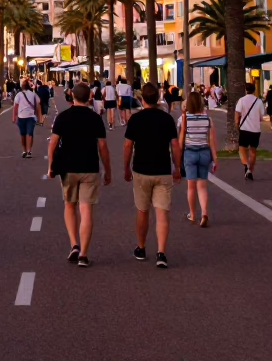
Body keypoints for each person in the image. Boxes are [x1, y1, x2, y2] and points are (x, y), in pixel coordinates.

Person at [46, 81, 110, 268]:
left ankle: (74, 243)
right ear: (89, 96)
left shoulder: (63, 117)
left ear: (72, 97)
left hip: (68, 167)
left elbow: (52, 143)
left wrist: (50, 166)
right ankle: (83, 254)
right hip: (90, 167)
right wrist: (108, 170)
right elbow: (103, 147)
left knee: (69, 205)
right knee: (86, 210)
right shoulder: (95, 118)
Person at [123, 83, 180, 268]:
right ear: (158, 98)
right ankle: (161, 253)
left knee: (142, 210)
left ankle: (141, 247)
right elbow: (175, 145)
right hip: (162, 170)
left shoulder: (135, 119)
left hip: (141, 170)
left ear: (142, 99)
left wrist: (125, 167)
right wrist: (177, 167)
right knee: (162, 212)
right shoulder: (167, 119)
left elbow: (127, 145)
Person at [178, 89, 217, 227]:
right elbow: (211, 140)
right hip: (204, 153)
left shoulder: (185, 118)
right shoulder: (207, 119)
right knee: (202, 186)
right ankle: (204, 213)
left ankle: (192, 214)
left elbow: (181, 137)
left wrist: (177, 156)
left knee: (191, 187)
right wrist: (215, 158)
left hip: (190, 153)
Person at [235, 82, 266, 180]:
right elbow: (261, 117)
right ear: (254, 90)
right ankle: (250, 170)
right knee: (253, 151)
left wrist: (236, 124)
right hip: (255, 130)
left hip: (244, 128)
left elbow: (237, 113)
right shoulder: (259, 101)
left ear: (246, 90)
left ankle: (245, 165)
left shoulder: (241, 100)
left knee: (241, 148)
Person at [12, 79, 42, 158]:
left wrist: (13, 117)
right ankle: (27, 150)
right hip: (29, 116)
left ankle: (26, 150)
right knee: (28, 134)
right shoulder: (33, 94)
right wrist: (40, 118)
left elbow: (15, 107)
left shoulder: (19, 95)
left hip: (24, 117)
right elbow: (38, 106)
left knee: (25, 134)